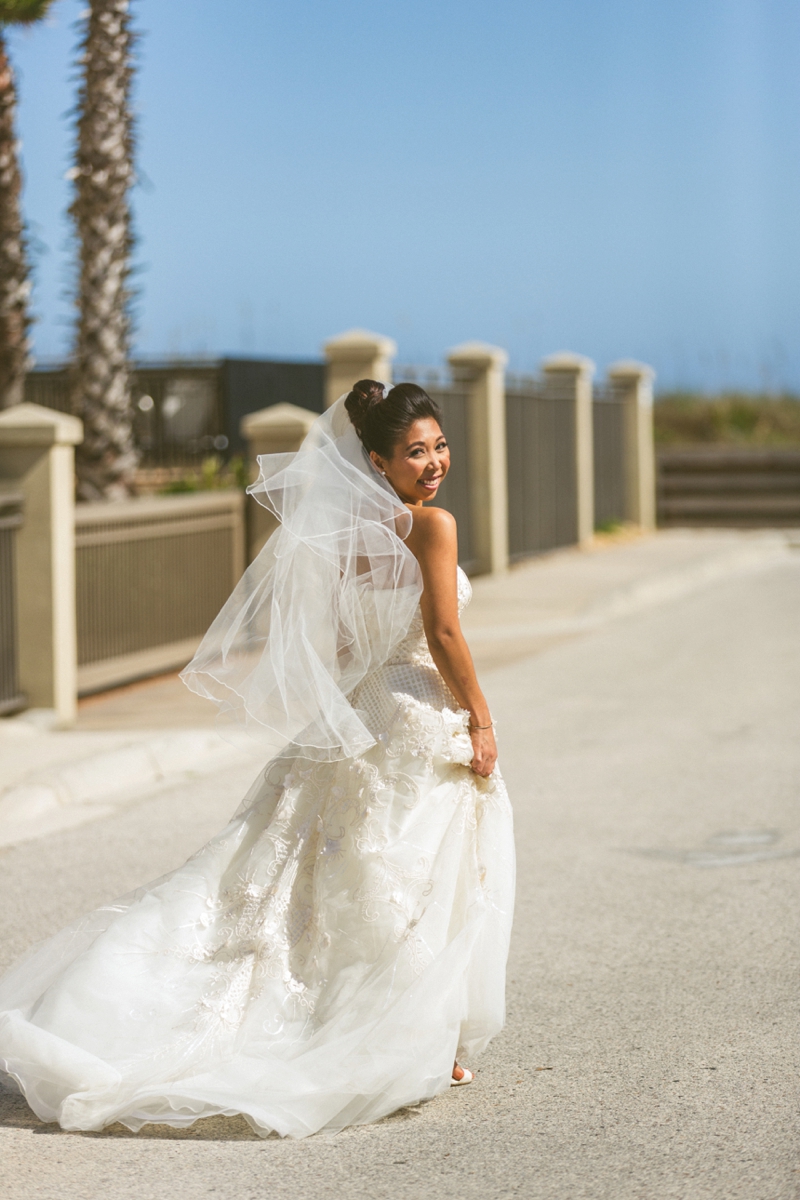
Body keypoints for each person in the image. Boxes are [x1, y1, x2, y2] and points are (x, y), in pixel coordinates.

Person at [0, 381, 515, 1139]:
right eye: (415, 452)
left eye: (439, 447)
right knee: (414, 876)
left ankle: (402, 1032)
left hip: (365, 709)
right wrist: (481, 716)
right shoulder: (433, 528)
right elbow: (442, 631)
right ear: (377, 459)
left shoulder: (343, 534)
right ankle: (411, 1039)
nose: (434, 463)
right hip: (418, 710)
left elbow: (339, 646)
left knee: (340, 873)